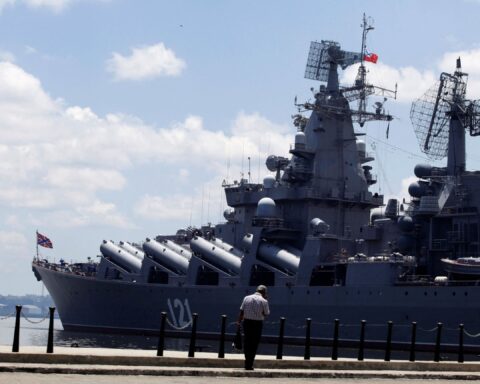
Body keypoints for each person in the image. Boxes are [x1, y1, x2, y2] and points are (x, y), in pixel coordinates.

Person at [237, 285, 270, 370]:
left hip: (247, 322)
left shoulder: (246, 298)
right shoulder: (264, 301)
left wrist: (239, 322)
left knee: (247, 343)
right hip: (257, 324)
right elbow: (266, 313)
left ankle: (247, 362)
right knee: (254, 344)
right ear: (264, 292)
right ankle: (250, 364)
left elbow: (241, 311)